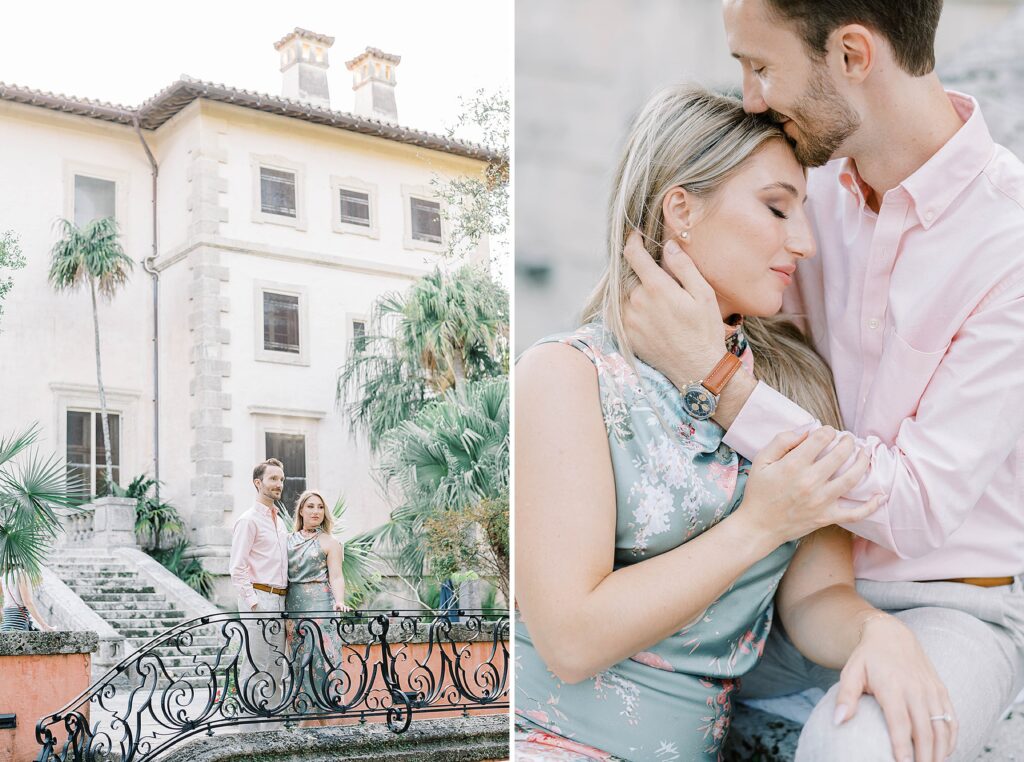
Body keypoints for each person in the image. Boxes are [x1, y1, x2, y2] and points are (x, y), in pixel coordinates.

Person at [619, 1, 1024, 759]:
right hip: (782, 585)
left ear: (851, 56)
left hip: (946, 607)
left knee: (856, 754)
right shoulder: (802, 191)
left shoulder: (1010, 243)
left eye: (762, 68)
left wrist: (718, 379)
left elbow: (916, 508)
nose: (748, 98)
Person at [515, 85, 953, 762]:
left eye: (804, 213)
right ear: (681, 209)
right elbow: (571, 641)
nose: (804, 243)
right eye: (777, 208)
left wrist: (876, 633)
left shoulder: (794, 391)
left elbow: (818, 596)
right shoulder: (568, 377)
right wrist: (759, 524)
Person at [229, 458, 290, 724]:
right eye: (273, 479)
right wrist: (254, 604)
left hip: (280, 599)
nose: (279, 484)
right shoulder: (248, 520)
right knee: (256, 663)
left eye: (281, 479)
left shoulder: (280, 522)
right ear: (258, 483)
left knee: (277, 663)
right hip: (259, 598)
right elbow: (237, 568)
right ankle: (249, 727)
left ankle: (272, 727)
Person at [285, 489, 350, 724]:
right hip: (293, 607)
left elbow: (336, 576)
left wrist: (339, 601)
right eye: (310, 506)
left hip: (321, 606)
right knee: (298, 662)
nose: (316, 511)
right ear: (301, 510)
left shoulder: (331, 542)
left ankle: (330, 722)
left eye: (320, 507)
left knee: (324, 661)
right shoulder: (287, 540)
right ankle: (301, 722)